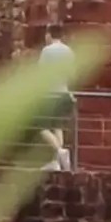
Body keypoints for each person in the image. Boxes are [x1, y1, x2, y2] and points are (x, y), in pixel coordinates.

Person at [35, 25, 74, 171]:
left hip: (50, 93)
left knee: (41, 126)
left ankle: (60, 151)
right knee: (57, 126)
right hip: (63, 92)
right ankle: (56, 162)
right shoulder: (69, 51)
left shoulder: (47, 51)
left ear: (49, 35)